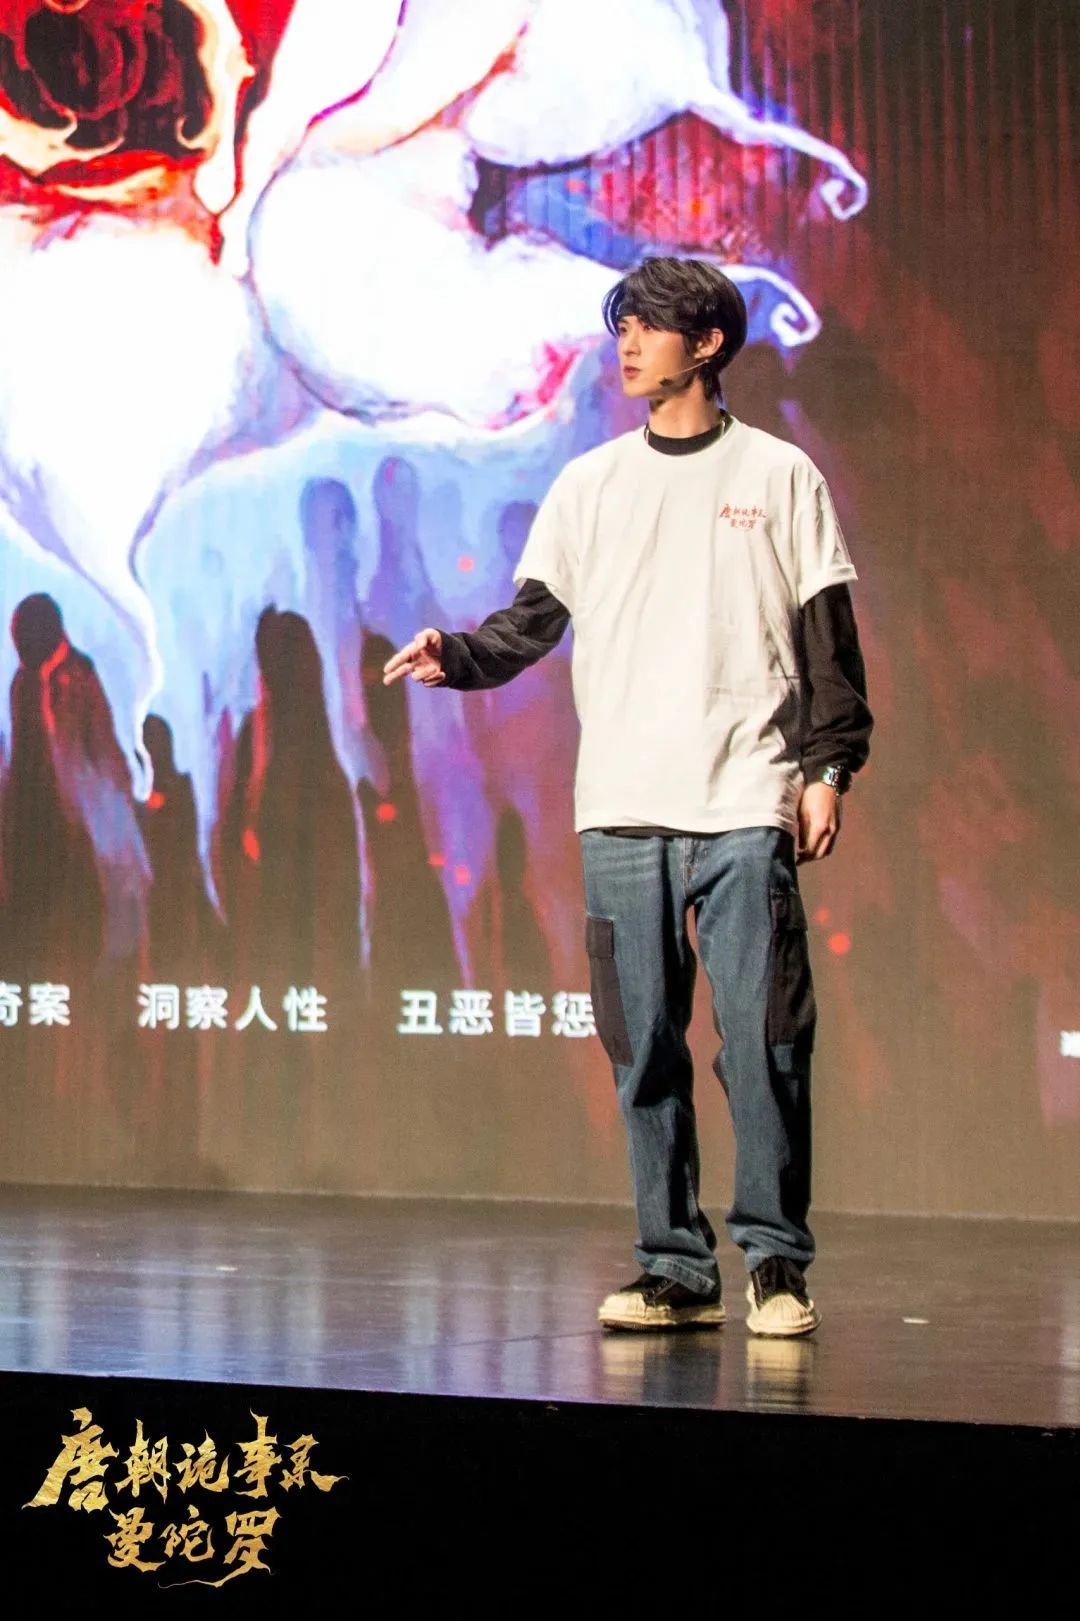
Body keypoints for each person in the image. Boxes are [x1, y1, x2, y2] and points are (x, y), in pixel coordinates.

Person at [383, 257, 873, 1337]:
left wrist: (828, 769)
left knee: (765, 1045)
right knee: (642, 1047)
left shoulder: (781, 474)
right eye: (625, 326)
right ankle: (676, 1265)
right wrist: (455, 654)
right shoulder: (590, 484)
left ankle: (776, 1264)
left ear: (708, 342)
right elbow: (529, 624)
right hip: (620, 809)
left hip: (745, 800)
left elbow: (828, 641)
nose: (630, 343)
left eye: (650, 325)